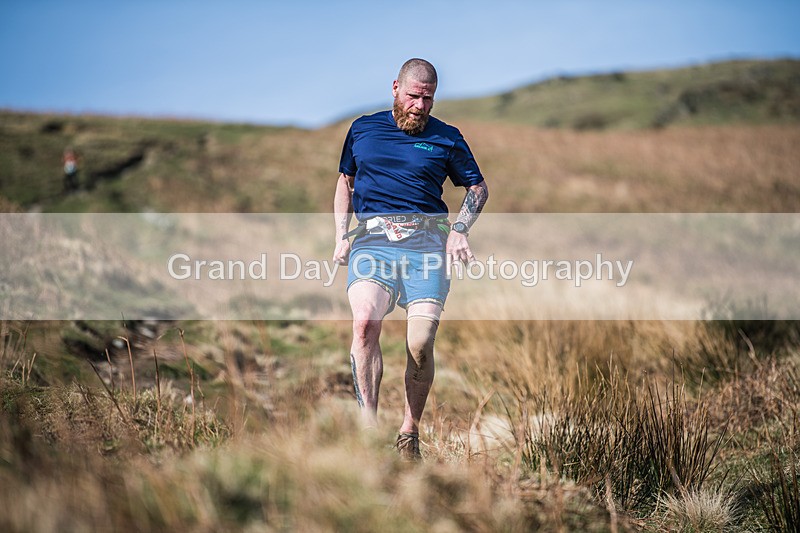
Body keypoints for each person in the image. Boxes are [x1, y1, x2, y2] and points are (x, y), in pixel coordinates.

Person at [332, 58, 489, 460]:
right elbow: (345, 181)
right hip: (373, 243)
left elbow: (477, 188)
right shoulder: (363, 129)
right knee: (365, 323)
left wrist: (459, 230)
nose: (420, 106)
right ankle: (368, 430)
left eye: (429, 98)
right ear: (396, 88)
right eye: (414, 96)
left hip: (426, 248)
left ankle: (408, 433)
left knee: (419, 344)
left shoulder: (447, 137)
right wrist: (339, 236)